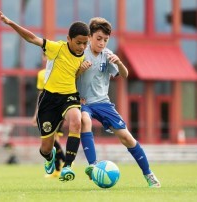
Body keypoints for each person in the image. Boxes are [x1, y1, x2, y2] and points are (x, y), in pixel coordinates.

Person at [0, 9, 89, 182]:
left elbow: (78, 78)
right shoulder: (57, 48)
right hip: (49, 100)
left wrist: (81, 73)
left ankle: (67, 166)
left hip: (69, 96)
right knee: (45, 148)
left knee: (76, 121)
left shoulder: (84, 56)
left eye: (85, 43)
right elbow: (32, 38)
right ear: (69, 39)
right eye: (79, 43)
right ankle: (49, 156)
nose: (82, 47)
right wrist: (11, 23)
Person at [76, 17, 161, 188]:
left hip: (103, 103)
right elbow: (69, 78)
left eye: (106, 40)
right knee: (84, 119)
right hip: (83, 101)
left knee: (126, 137)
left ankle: (148, 174)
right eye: (99, 39)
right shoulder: (79, 53)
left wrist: (119, 62)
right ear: (90, 37)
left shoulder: (107, 55)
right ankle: (93, 165)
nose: (102, 43)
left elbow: (125, 74)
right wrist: (79, 70)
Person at [32, 54, 66, 178]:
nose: (47, 58)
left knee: (54, 140)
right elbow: (40, 95)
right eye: (45, 56)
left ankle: (61, 165)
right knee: (51, 140)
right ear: (43, 57)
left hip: (59, 108)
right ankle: (60, 166)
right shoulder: (41, 74)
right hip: (46, 110)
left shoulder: (60, 71)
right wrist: (36, 113)